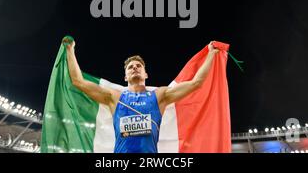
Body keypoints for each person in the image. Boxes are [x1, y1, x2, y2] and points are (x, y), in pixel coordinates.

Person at [63, 38, 219, 153]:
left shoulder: (159, 96)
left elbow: (196, 83)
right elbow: (78, 82)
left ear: (146, 74)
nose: (134, 68)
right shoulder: (114, 97)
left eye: (139, 66)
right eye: (130, 67)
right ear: (125, 77)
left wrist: (211, 54)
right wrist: (70, 50)